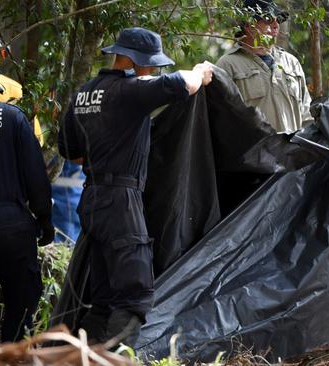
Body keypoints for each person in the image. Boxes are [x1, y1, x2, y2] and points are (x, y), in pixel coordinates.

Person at [58, 27, 213, 345]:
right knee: (134, 295)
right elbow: (182, 84)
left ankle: (84, 358)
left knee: (102, 299)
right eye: (152, 65)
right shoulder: (128, 90)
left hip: (91, 200)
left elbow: (72, 154)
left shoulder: (84, 93)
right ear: (134, 61)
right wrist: (201, 70)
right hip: (120, 203)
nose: (155, 70)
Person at [0, 61, 54, 342]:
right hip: (14, 225)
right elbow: (35, 173)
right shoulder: (14, 117)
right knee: (21, 301)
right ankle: (10, 353)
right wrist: (44, 218)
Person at [216, 0, 312, 133]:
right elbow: (220, 122)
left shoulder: (291, 63)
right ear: (249, 25)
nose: (276, 25)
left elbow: (307, 117)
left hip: (293, 152)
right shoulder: (227, 65)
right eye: (268, 19)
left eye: (277, 20)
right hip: (252, 153)